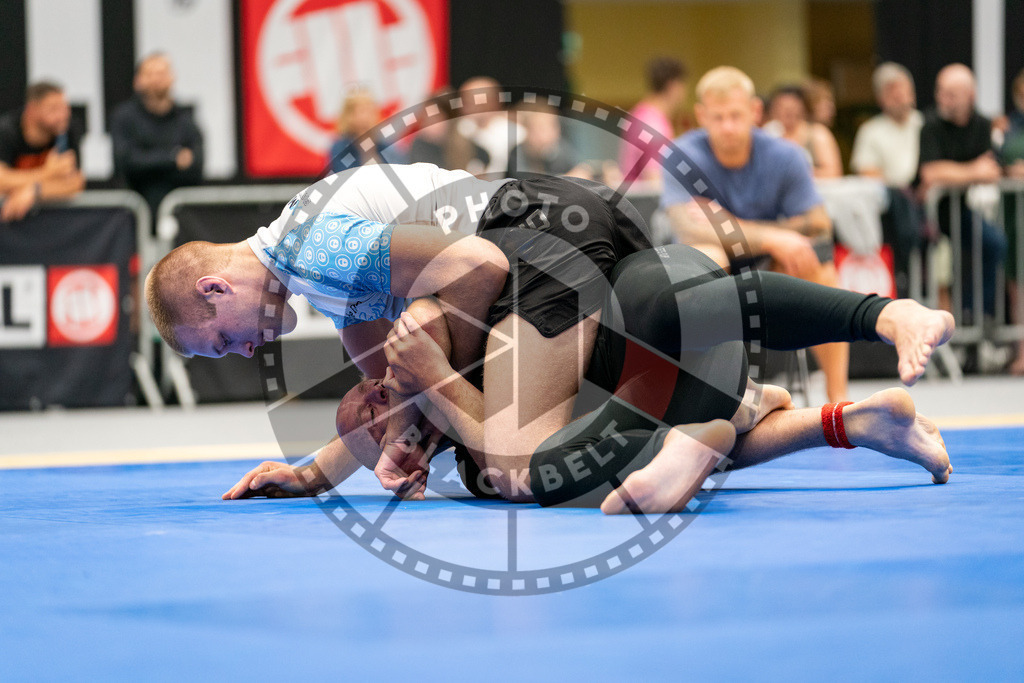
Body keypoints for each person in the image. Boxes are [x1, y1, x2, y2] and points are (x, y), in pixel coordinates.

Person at [225, 245, 955, 514]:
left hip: (651, 316)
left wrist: (428, 384)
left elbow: (400, 399)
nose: (397, 453)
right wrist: (316, 472)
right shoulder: (455, 446)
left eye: (385, 404)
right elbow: (380, 425)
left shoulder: (444, 350)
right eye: (393, 449)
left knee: (531, 469)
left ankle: (883, 316)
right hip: (672, 346)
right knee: (676, 384)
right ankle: (858, 419)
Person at [662, 66, 851, 402]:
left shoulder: (785, 155)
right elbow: (687, 226)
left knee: (818, 267)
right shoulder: (681, 155)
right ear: (701, 116)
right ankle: (708, 397)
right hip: (710, 261)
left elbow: (819, 223)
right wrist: (773, 236)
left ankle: (838, 400)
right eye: (717, 117)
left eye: (736, 115)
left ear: (755, 112)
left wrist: (738, 227)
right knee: (710, 257)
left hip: (768, 263)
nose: (728, 127)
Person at [917, 63, 1007, 322]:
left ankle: (972, 313)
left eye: (951, 94)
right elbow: (930, 173)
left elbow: (991, 169)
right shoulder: (931, 124)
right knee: (938, 264)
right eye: (940, 92)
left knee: (994, 244)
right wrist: (972, 171)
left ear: (970, 96)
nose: (942, 99)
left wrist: (954, 173)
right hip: (927, 216)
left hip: (959, 210)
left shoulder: (982, 125)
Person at [850, 62, 927, 297]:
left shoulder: (924, 124)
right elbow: (866, 171)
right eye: (892, 92)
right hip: (889, 213)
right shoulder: (870, 131)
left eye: (903, 89)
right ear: (880, 97)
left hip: (927, 204)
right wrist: (901, 188)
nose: (899, 97)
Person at [111, 53, 203, 221]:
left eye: (161, 73)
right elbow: (125, 163)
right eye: (150, 74)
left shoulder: (186, 120)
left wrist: (148, 163)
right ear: (138, 80)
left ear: (172, 77)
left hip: (180, 219)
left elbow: (196, 167)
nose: (156, 80)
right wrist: (173, 159)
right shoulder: (124, 118)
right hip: (132, 218)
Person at [0, 81, 85, 222]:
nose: (63, 115)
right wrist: (48, 173)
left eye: (64, 107)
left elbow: (75, 184)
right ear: (32, 110)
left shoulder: (66, 131)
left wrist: (35, 190)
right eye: (53, 108)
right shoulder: (7, 131)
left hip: (49, 224)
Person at [618, 56, 688, 190]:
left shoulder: (637, 113)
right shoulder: (655, 126)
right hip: (643, 206)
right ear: (673, 86)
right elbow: (656, 181)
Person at [998, 68, 1024, 374]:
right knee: (1016, 286)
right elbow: (997, 163)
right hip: (1015, 220)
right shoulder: (1008, 129)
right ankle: (1021, 352)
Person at [763, 84, 843, 179]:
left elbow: (834, 172)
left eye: (792, 107)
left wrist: (795, 172)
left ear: (802, 107)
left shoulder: (817, 133)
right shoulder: (769, 132)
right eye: (782, 107)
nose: (787, 112)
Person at [407, 88, 490, 174]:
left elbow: (484, 157)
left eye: (434, 119)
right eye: (426, 119)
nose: (428, 126)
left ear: (450, 119)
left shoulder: (464, 144)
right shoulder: (420, 144)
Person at [326, 89, 406, 172]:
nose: (367, 117)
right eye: (362, 111)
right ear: (349, 116)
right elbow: (343, 175)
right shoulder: (340, 148)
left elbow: (399, 170)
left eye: (370, 111)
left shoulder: (385, 145)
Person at [456, 77, 524, 175]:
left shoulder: (515, 134)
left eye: (468, 100)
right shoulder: (460, 129)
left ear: (491, 101)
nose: (460, 104)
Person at [507, 105, 588, 177]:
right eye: (541, 129)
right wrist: (567, 179)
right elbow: (530, 185)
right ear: (527, 131)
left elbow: (579, 169)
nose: (549, 134)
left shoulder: (560, 149)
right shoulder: (517, 154)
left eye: (553, 127)